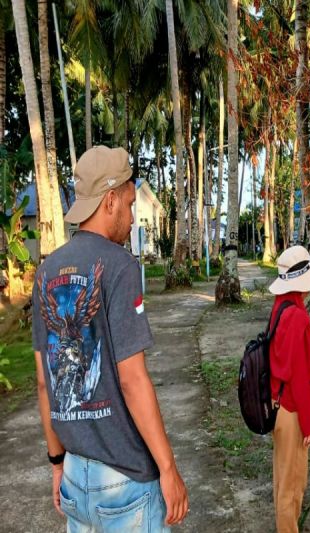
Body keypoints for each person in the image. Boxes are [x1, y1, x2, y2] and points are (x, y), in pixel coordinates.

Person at [31, 146, 188, 532]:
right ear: (110, 200)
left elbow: (44, 382)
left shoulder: (45, 272)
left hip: (74, 475)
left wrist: (57, 464)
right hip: (125, 479)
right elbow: (132, 379)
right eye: (131, 205)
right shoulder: (119, 266)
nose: (133, 218)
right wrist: (168, 468)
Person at [267, 245, 310, 533]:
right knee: (292, 485)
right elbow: (299, 376)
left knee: (283, 478)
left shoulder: (281, 307)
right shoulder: (298, 317)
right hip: (291, 409)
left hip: (278, 403)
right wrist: (308, 422)